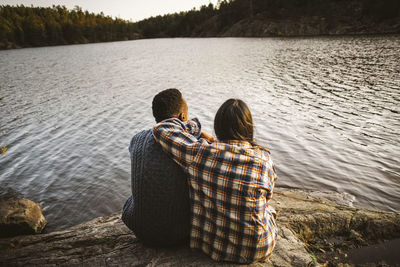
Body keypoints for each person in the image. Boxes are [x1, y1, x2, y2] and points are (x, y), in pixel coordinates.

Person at [152, 98, 278, 263]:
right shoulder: (264, 159)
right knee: (268, 209)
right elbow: (266, 198)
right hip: (257, 249)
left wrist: (197, 131)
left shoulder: (199, 153)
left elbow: (162, 128)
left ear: (218, 126)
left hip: (211, 246)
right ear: (248, 128)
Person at [122, 88, 193, 247]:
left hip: (140, 230)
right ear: (183, 117)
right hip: (177, 235)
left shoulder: (137, 138)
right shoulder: (186, 141)